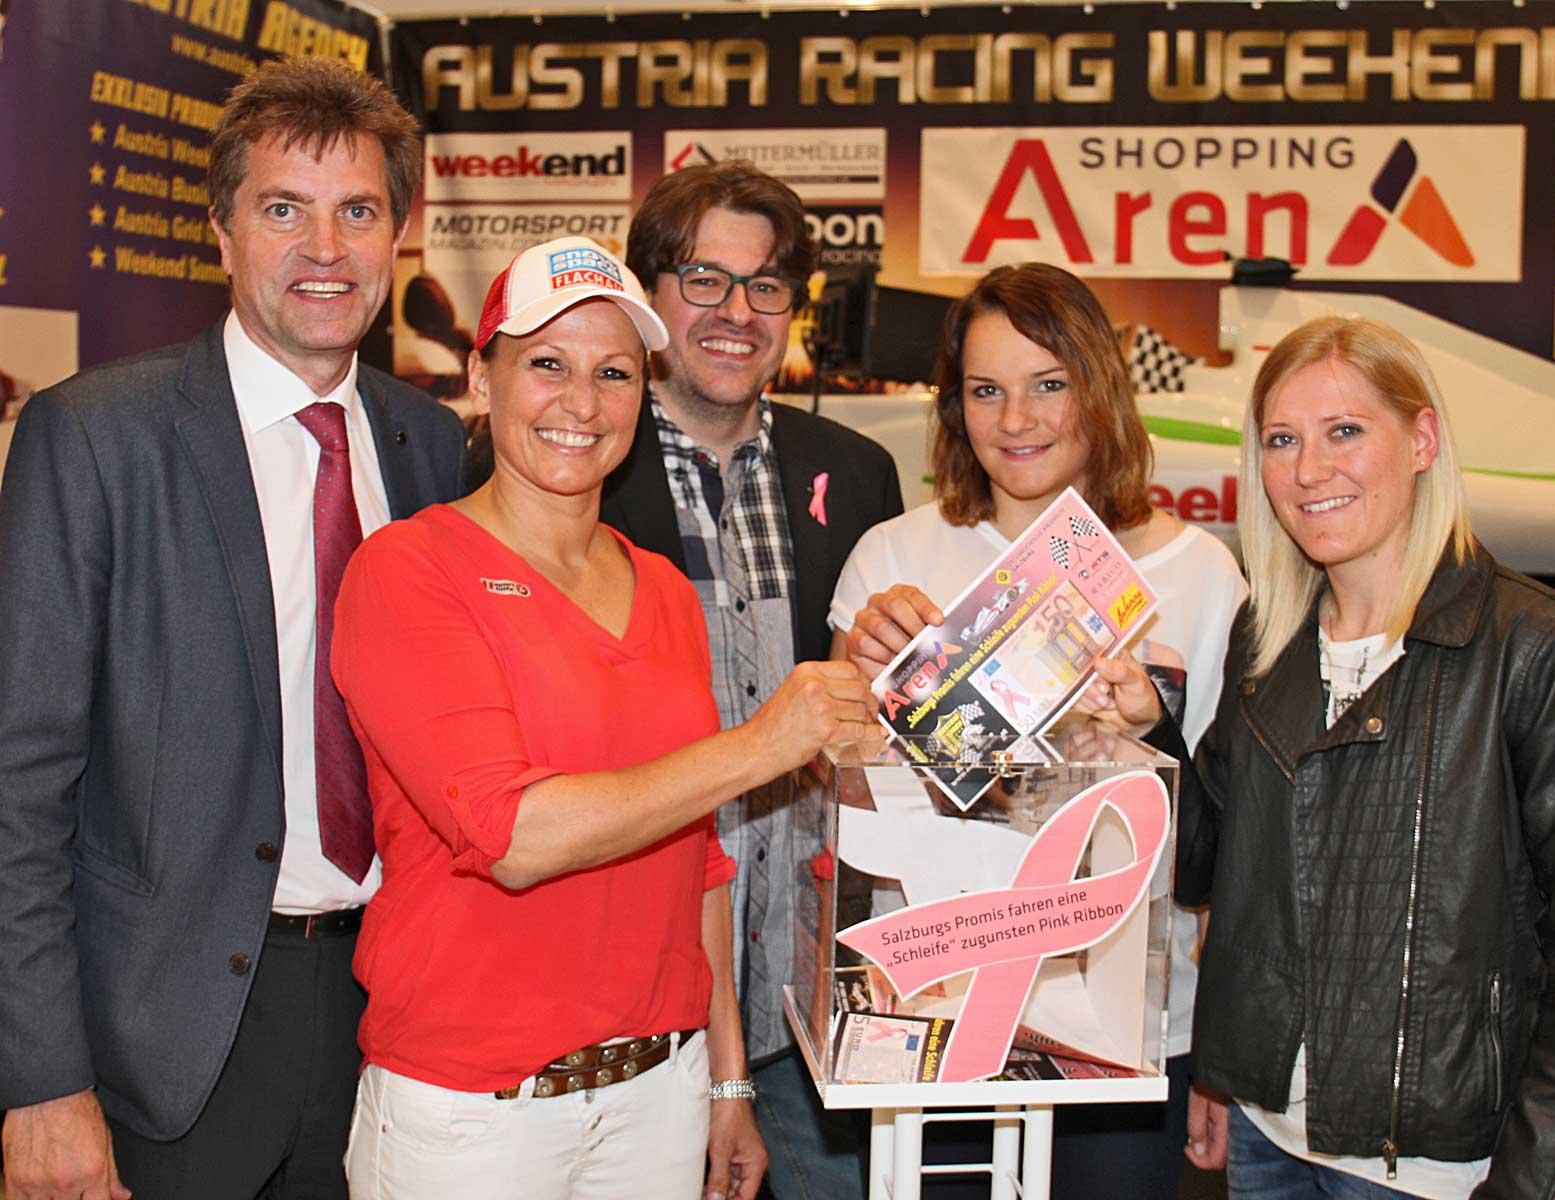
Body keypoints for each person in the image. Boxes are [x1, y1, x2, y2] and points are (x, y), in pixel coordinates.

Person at [0, 59, 465, 1200]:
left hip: (393, 1018)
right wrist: (40, 1081)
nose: (325, 248)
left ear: (398, 235)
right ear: (221, 232)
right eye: (283, 209)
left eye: (358, 212)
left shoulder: (432, 446)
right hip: (163, 1038)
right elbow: (17, 781)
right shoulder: (93, 437)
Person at [331, 236, 875, 1200]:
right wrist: (762, 745)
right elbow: (512, 837)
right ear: (482, 378)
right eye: (547, 364)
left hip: (659, 1098)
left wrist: (727, 1081)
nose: (581, 404)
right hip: (473, 1113)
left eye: (614, 373)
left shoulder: (660, 587)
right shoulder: (409, 570)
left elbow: (700, 861)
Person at [1096, 316, 1555, 1199]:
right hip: (1268, 1141)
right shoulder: (1268, 637)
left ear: (1422, 440)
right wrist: (1152, 733)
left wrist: (1541, 1174)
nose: (1308, 471)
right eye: (1282, 440)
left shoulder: (1532, 644)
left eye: (1345, 431)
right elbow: (1211, 869)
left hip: (1436, 1165)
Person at [831, 261, 1246, 1197]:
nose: (1015, 420)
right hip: (936, 1009)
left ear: (1098, 388)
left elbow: (1230, 831)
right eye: (985, 390)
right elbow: (836, 796)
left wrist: (1218, 1061)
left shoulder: (1200, 575)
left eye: (1047, 385)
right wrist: (863, 683)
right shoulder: (895, 556)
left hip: (1128, 1025)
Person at [598, 161, 904, 1197]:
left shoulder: (856, 474)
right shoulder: (577, 465)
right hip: (637, 1004)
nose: (736, 313)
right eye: (703, 279)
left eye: (765, 285)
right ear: (649, 297)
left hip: (810, 1001)